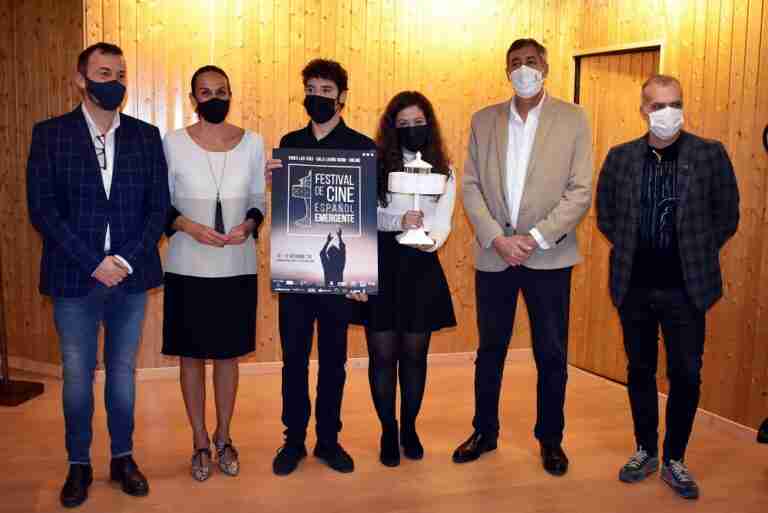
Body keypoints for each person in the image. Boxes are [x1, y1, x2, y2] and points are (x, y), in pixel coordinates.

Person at [26, 42, 169, 508]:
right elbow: (43, 210)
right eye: (104, 73)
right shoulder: (51, 135)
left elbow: (158, 209)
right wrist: (93, 262)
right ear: (81, 79)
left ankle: (123, 458)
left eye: (121, 74)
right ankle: (79, 463)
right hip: (74, 276)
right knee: (76, 377)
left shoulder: (146, 136)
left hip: (130, 276)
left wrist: (123, 261)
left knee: (123, 374)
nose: (115, 82)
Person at [596, 74, 739, 500]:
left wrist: (693, 251)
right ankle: (645, 449)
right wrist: (639, 246)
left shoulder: (709, 154)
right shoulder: (621, 157)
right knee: (639, 370)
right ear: (643, 110)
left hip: (687, 288)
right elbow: (606, 215)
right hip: (634, 286)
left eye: (674, 103)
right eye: (658, 105)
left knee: (686, 373)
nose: (667, 112)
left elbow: (727, 215)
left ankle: (675, 457)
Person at [455, 38, 593, 476]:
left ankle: (551, 439)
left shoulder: (573, 119)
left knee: (551, 353)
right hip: (495, 254)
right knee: (490, 350)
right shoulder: (484, 120)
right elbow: (471, 186)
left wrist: (533, 238)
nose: (523, 69)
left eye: (531, 61)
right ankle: (484, 431)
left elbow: (579, 191)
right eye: (515, 63)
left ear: (545, 67)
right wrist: (497, 238)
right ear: (506, 71)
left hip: (548, 256)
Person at [265, 59, 376, 476]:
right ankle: (293, 440)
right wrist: (275, 183)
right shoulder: (290, 143)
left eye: (326, 90)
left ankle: (328, 440)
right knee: (293, 360)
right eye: (311, 89)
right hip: (297, 273)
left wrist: (360, 274)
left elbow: (365, 217)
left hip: (338, 276)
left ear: (342, 97)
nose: (317, 97)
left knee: (333, 362)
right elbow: (287, 209)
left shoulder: (362, 146)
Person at [161, 65, 265, 482]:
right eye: (205, 92)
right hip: (187, 265)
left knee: (227, 355)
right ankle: (200, 440)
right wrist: (189, 226)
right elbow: (160, 203)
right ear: (193, 100)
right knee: (191, 356)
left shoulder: (253, 142)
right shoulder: (172, 143)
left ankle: (224, 436)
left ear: (230, 94)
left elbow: (258, 198)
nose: (214, 98)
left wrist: (250, 224)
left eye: (221, 91)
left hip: (236, 265)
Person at [361, 91, 457, 467]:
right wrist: (398, 222)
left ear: (428, 124)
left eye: (418, 122)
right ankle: (388, 429)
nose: (411, 129)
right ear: (392, 128)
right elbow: (368, 215)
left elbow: (443, 219)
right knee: (382, 355)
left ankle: (410, 428)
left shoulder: (443, 168)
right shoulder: (377, 166)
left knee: (415, 356)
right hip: (383, 262)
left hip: (421, 265)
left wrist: (431, 242)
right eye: (403, 124)